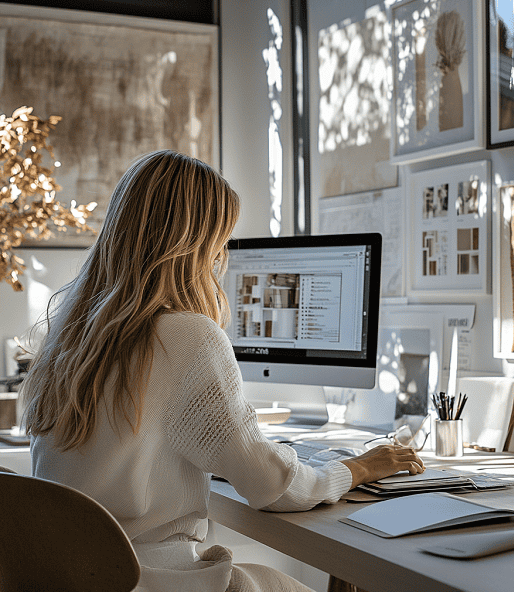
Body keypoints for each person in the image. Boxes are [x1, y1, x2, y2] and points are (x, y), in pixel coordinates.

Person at [21, 150, 424, 592]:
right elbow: (271, 485)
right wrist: (358, 468)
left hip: (72, 579)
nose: (222, 256)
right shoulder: (186, 337)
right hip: (150, 581)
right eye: (220, 240)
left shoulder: (70, 333)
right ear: (193, 244)